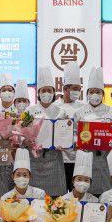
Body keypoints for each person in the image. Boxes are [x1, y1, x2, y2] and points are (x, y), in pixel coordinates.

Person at [75, 67, 112, 196]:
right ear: (87, 94)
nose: (95, 95)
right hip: (86, 156)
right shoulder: (79, 112)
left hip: (106, 158)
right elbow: (74, 133)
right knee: (86, 191)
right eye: (92, 92)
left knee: (106, 191)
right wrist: (77, 142)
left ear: (103, 94)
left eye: (98, 92)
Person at [24, 66, 67, 197]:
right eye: (43, 90)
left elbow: (65, 134)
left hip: (54, 157)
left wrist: (63, 143)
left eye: (49, 90)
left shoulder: (61, 111)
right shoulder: (29, 110)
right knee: (35, 196)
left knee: (55, 196)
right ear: (38, 93)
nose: (46, 93)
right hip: (35, 158)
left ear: (54, 93)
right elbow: (22, 134)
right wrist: (26, 141)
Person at [54, 62, 86, 191]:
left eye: (79, 89)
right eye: (74, 88)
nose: (77, 92)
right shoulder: (55, 107)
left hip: (78, 156)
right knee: (61, 191)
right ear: (65, 89)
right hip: (60, 156)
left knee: (76, 191)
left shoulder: (83, 107)